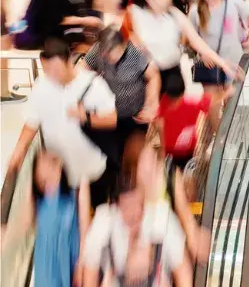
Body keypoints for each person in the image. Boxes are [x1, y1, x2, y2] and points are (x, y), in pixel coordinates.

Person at [81, 175, 198, 287]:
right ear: (116, 206)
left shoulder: (161, 218)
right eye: (127, 208)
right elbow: (89, 270)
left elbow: (181, 266)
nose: (134, 213)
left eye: (138, 205)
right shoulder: (104, 220)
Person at [7, 38, 118, 209]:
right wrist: (18, 152)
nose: (52, 75)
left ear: (68, 61)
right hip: (60, 175)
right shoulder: (41, 87)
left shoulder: (94, 85)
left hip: (92, 171)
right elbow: (32, 122)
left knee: (98, 214)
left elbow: (112, 119)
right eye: (47, 70)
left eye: (56, 69)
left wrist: (86, 117)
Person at [2, 150, 88, 287]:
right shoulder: (37, 197)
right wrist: (6, 237)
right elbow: (23, 222)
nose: (44, 174)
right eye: (40, 169)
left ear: (58, 165)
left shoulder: (77, 187)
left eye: (48, 166)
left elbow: (84, 228)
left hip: (72, 258)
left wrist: (82, 263)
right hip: (48, 264)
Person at [127, 0, 235, 87]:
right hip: (147, 74)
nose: (161, 0)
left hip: (171, 75)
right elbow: (130, 39)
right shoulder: (136, 13)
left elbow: (196, 40)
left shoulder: (174, 14)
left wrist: (222, 62)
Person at [83, 27, 160, 170]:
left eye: (111, 54)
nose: (108, 59)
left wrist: (150, 104)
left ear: (123, 45)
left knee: (135, 157)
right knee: (113, 157)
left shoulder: (136, 53)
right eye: (105, 55)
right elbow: (82, 70)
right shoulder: (98, 50)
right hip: (110, 115)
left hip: (135, 115)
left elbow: (153, 76)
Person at [188, 0, 249, 128]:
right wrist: (201, 55)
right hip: (210, 63)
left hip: (233, 59)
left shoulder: (233, 1)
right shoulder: (195, 11)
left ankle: (227, 131)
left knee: (230, 99)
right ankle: (217, 135)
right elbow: (189, 38)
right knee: (212, 102)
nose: (210, 1)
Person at [156, 72, 224, 169]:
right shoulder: (168, 102)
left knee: (183, 175)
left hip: (186, 151)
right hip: (174, 152)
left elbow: (211, 101)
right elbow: (159, 123)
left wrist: (227, 92)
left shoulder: (189, 103)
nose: (173, 104)